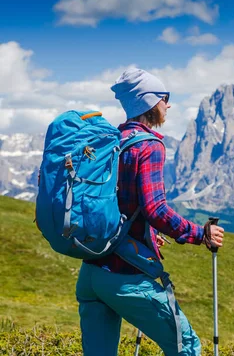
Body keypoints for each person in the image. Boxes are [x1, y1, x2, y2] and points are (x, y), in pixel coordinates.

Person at [75, 67, 225, 356]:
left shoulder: (111, 142)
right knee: (187, 346)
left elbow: (117, 205)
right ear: (149, 102)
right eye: (164, 97)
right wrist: (200, 234)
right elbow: (155, 208)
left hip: (91, 274)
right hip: (124, 276)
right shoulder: (149, 146)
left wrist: (146, 232)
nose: (168, 104)